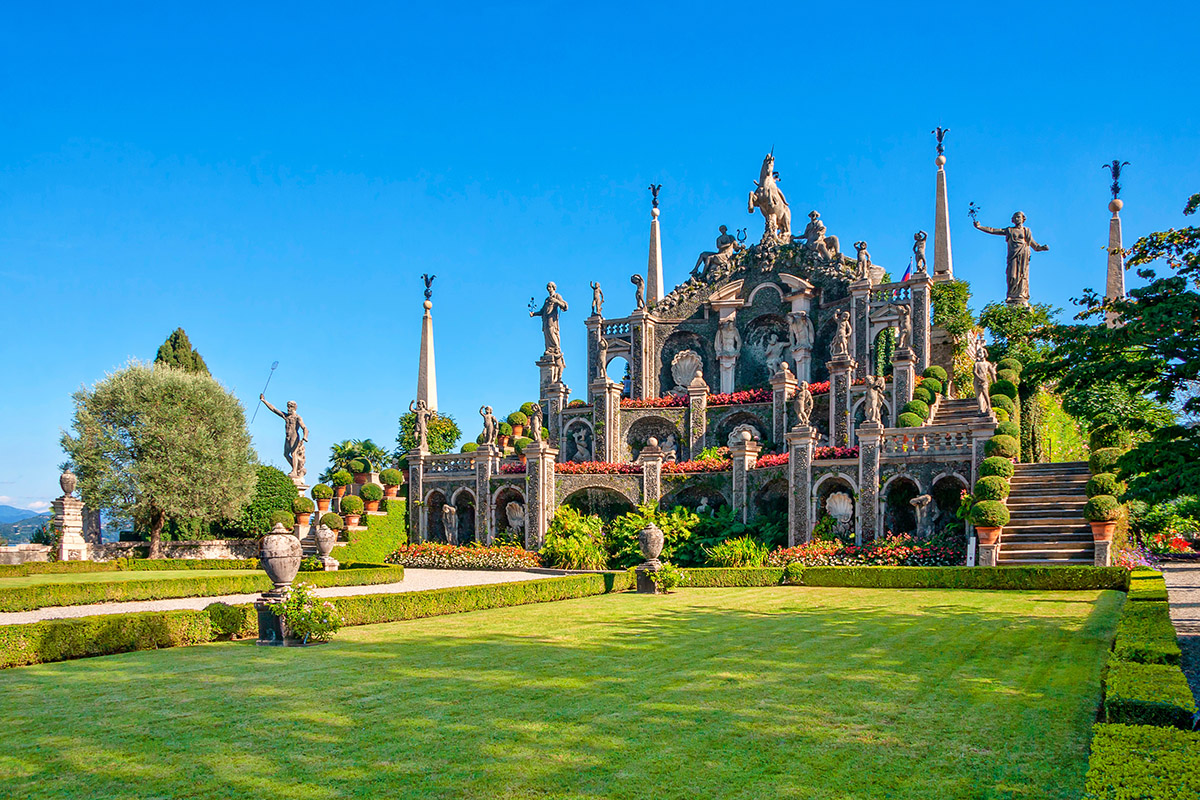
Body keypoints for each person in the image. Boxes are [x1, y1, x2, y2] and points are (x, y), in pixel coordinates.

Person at [973, 211, 1049, 306]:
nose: (1017, 219)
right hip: (1013, 255)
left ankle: (1021, 295)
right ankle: (1012, 295)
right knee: (1012, 275)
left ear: (1023, 219)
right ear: (1013, 220)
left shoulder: (1026, 231)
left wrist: (1042, 248)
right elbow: (993, 230)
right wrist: (980, 227)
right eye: (1015, 217)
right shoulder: (1009, 230)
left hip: (1023, 256)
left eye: (1018, 217)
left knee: (1022, 276)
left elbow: (1035, 246)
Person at [260, 395, 308, 479]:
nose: (288, 409)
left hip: (294, 436)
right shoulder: (286, 416)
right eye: (288, 407)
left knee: (293, 453)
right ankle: (296, 468)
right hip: (288, 437)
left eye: (290, 407)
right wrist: (264, 401)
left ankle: (294, 470)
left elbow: (304, 427)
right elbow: (274, 409)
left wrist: (305, 437)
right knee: (286, 454)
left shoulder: (297, 417)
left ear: (294, 408)